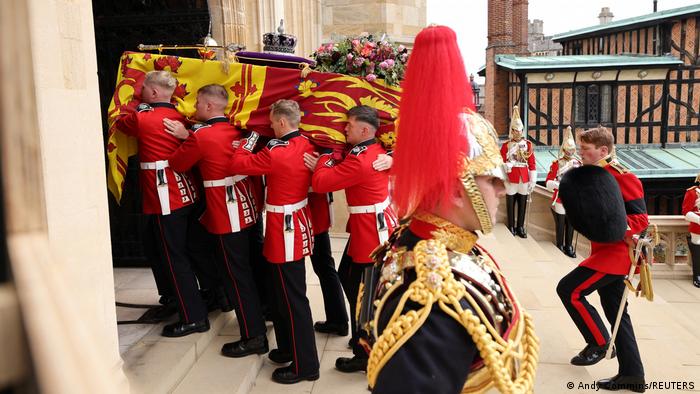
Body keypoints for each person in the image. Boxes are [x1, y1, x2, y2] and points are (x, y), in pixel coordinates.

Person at [364, 25, 539, 394]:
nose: (502, 190)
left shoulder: (428, 236)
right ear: (457, 192)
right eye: (491, 181)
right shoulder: (435, 296)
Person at [166, 84, 268, 357]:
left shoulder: (201, 135)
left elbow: (177, 164)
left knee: (237, 275)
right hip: (246, 205)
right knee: (239, 264)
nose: (195, 108)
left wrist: (185, 136)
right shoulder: (238, 129)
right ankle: (233, 302)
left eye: (198, 103)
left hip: (226, 210)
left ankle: (253, 335)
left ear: (209, 106)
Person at [230, 99, 319, 384]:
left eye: (271, 122)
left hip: (285, 229)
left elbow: (238, 162)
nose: (269, 126)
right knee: (282, 293)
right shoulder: (307, 143)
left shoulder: (276, 150)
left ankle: (306, 366)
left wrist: (251, 137)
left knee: (292, 298)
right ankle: (288, 348)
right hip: (292, 223)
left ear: (281, 122)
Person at [304, 105, 398, 374]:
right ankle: (358, 333)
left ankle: (365, 352)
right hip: (366, 227)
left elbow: (321, 183)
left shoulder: (359, 159)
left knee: (363, 293)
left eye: (350, 125)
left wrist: (323, 161)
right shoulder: (371, 150)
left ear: (365, 130)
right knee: (348, 276)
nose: (344, 128)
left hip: (371, 231)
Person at [115, 70, 209, 337]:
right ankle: (183, 299)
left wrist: (137, 98)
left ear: (154, 93)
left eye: (145, 88)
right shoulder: (180, 116)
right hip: (184, 192)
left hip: (165, 194)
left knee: (173, 256)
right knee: (178, 251)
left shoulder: (144, 117)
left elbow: (121, 121)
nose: (141, 91)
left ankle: (194, 316)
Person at [556, 126, 648, 393]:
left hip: (617, 255)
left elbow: (640, 220)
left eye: (585, 150)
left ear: (603, 151)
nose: (581, 153)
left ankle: (599, 342)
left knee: (569, 290)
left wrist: (615, 226)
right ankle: (633, 375)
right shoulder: (593, 174)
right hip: (603, 252)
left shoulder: (622, 176)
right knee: (617, 314)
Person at [545, 126, 582, 258]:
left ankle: (569, 245)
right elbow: (549, 180)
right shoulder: (557, 163)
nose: (570, 152)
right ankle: (560, 243)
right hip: (560, 196)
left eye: (572, 150)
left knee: (571, 223)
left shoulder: (578, 164)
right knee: (560, 222)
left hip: (573, 197)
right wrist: (556, 185)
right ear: (564, 149)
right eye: (568, 150)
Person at [500, 105, 536, 238]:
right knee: (510, 203)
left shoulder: (528, 145)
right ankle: (511, 225)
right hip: (511, 177)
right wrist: (506, 165)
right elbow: (500, 161)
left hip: (524, 178)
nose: (518, 133)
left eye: (520, 130)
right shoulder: (506, 145)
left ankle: (520, 226)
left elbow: (531, 163)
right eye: (515, 130)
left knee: (522, 202)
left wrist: (533, 180)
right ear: (512, 131)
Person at [682, 172, 700, 288]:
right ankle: (698, 275)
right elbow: (686, 212)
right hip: (698, 227)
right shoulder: (692, 192)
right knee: (698, 252)